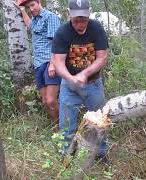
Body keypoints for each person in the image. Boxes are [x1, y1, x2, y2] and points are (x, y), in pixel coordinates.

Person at [51, 0, 109, 158]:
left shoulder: (96, 28)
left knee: (99, 122)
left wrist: (84, 74)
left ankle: (101, 154)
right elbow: (58, 61)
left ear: (89, 13)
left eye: (83, 18)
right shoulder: (63, 32)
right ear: (68, 14)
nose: (80, 23)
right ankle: (66, 157)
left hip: (93, 85)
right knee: (67, 125)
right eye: (76, 19)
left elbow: (102, 58)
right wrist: (70, 78)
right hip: (69, 87)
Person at [15, 0, 61, 131]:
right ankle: (57, 129)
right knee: (46, 102)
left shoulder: (50, 17)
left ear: (39, 2)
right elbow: (29, 25)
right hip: (38, 64)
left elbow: (57, 43)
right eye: (29, 7)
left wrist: (52, 64)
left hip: (49, 62)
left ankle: (62, 128)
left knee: (51, 100)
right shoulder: (35, 20)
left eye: (33, 5)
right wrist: (22, 10)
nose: (31, 9)